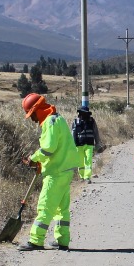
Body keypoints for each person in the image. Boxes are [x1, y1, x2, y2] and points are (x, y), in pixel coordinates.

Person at [19, 92, 81, 251]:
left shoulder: (50, 122)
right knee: (62, 208)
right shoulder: (57, 119)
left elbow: (49, 148)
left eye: (32, 114)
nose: (32, 119)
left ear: (38, 109)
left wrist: (34, 158)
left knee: (45, 205)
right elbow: (57, 148)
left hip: (57, 172)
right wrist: (41, 162)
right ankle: (62, 239)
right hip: (65, 169)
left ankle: (36, 240)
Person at [70, 104, 99, 181]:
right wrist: (72, 145)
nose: (83, 114)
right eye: (81, 113)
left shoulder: (91, 121)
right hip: (78, 145)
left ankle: (87, 177)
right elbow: (73, 133)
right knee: (80, 162)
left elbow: (96, 132)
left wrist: (97, 143)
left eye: (85, 113)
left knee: (88, 160)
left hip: (89, 144)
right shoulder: (75, 122)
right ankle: (82, 176)